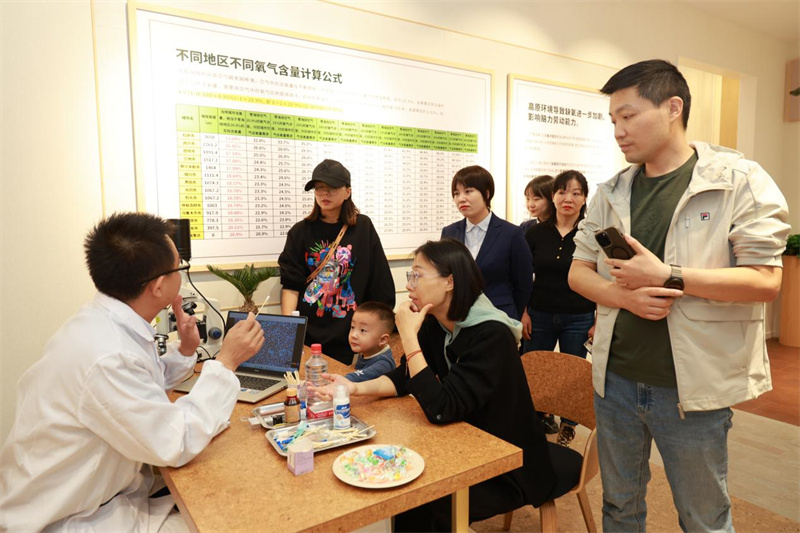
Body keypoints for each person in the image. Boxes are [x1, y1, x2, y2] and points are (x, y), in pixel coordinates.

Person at [568, 59, 790, 532]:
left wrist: (669, 276)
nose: (618, 131)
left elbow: (765, 281)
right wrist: (625, 298)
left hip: (691, 389)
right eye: (613, 120)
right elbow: (578, 272)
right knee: (619, 507)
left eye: (628, 116)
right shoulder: (612, 191)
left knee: (703, 517)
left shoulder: (737, 180)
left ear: (673, 108)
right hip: (615, 380)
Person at [0, 213, 266, 532]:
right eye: (180, 267)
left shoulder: (101, 323)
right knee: (236, 521)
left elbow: (139, 385)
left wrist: (185, 350)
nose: (182, 274)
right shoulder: (108, 355)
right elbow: (176, 442)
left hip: (102, 496)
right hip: (73, 519)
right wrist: (226, 362)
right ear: (158, 286)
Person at [314, 238, 556, 532]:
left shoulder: (492, 335)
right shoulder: (437, 323)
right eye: (410, 275)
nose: (409, 285)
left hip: (508, 459)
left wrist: (407, 336)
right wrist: (354, 388)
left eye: (417, 275)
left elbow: (441, 408)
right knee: (399, 484)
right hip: (462, 440)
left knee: (424, 500)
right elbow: (406, 377)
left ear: (449, 282)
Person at [278, 159, 395, 364]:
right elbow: (291, 284)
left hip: (349, 334)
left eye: (331, 188)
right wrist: (291, 331)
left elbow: (379, 281)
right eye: (319, 188)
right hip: (308, 334)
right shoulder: (300, 232)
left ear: (347, 192)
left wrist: (371, 332)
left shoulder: (362, 227)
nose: (324, 194)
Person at [526, 170, 596, 447]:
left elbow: (601, 278)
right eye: (562, 191)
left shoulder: (591, 234)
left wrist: (598, 320)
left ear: (584, 199)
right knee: (536, 369)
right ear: (553, 196)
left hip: (578, 316)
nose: (568, 198)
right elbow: (522, 276)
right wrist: (523, 312)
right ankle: (535, 420)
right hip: (538, 314)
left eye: (576, 193)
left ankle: (569, 424)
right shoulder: (535, 233)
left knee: (573, 374)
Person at [441, 166, 532, 321]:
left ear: (487, 193)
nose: (461, 198)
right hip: (460, 316)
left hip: (499, 315)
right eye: (456, 193)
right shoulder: (449, 232)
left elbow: (523, 283)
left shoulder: (511, 233)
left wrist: (512, 315)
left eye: (468, 191)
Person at [519, 174, 555, 349]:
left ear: (551, 198)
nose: (530, 204)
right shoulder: (526, 228)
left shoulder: (565, 229)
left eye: (537, 198)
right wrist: (523, 311)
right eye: (528, 198)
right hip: (535, 305)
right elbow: (520, 273)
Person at [344, 300, 397, 383]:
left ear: (382, 340)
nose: (353, 335)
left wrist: (342, 379)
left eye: (363, 330)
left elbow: (360, 376)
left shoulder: (384, 363)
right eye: (353, 327)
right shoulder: (367, 351)